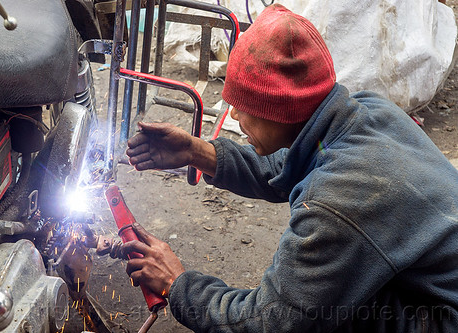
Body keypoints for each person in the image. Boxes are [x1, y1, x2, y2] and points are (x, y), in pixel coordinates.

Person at [120, 4, 458, 332]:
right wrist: (199, 152)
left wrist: (176, 284)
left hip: (444, 317)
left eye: (243, 105)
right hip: (438, 284)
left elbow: (267, 322)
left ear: (280, 110)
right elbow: (291, 166)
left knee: (324, 313)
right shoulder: (367, 111)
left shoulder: (334, 202)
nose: (234, 116)